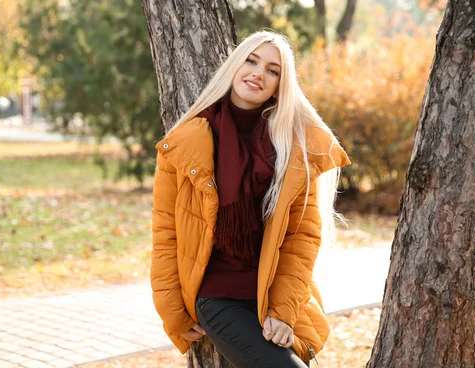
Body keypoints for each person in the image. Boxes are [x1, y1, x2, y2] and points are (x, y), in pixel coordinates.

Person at [150, 30, 351, 368]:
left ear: (279, 86)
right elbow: (166, 235)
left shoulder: (295, 149)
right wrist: (174, 313)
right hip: (218, 296)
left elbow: (301, 240)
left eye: (273, 70)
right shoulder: (184, 144)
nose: (259, 73)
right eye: (252, 60)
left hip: (270, 295)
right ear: (235, 65)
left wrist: (282, 311)